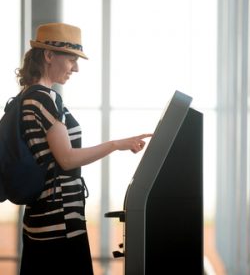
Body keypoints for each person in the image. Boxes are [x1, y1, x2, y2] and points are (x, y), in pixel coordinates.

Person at [16, 22, 152, 275]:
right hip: (60, 221)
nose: (76, 68)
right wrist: (115, 145)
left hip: (42, 219)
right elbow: (67, 159)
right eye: (71, 59)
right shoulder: (45, 97)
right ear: (48, 55)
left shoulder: (28, 95)